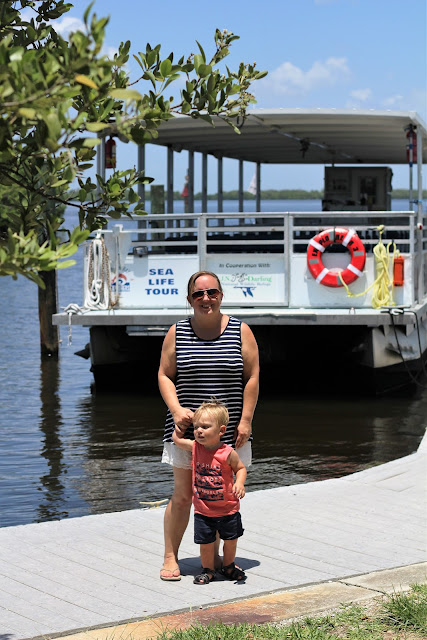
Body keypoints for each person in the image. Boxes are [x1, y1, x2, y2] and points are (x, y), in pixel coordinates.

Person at [158, 270, 259, 581]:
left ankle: (214, 559)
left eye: (212, 292)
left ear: (221, 295)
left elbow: (252, 377)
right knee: (184, 495)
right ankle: (170, 556)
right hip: (187, 431)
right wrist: (176, 410)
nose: (206, 299)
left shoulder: (241, 331)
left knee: (220, 495)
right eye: (199, 294)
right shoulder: (177, 332)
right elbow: (164, 375)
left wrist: (245, 420)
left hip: (229, 433)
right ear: (189, 299)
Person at [172, 400, 247, 584]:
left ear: (221, 430)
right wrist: (179, 431)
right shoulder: (196, 448)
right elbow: (177, 441)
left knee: (230, 541)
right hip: (203, 511)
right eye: (197, 427)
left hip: (228, 509)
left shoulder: (227, 453)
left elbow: (240, 469)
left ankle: (228, 566)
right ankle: (208, 570)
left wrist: (240, 483)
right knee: (205, 544)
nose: (199, 431)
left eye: (205, 427)